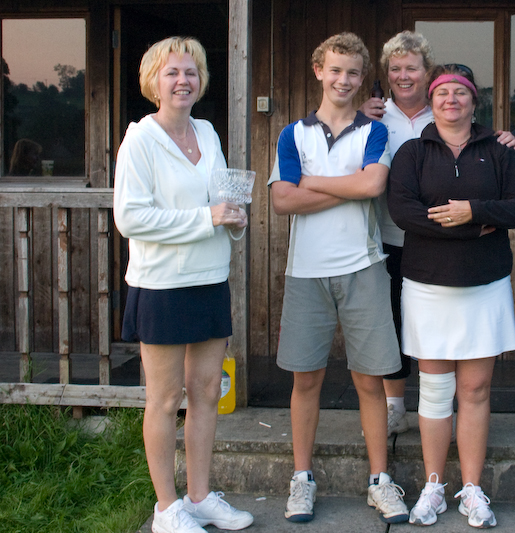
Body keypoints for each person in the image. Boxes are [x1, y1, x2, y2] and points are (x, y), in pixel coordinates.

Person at [267, 32, 409, 525]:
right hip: (305, 272)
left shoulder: (374, 132)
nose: (343, 80)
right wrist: (349, 188)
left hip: (363, 268)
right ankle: (302, 479)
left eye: (352, 72)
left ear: (362, 76)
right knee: (306, 381)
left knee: (370, 382)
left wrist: (310, 182)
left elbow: (373, 185)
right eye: (335, 70)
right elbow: (281, 200)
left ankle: (380, 481)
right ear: (318, 71)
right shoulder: (292, 134)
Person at [388, 64, 515, 528]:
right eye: (442, 93)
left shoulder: (498, 150)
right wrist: (473, 227)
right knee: (435, 392)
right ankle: (434, 487)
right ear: (431, 101)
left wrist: (473, 210)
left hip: (484, 285)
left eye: (460, 92)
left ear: (475, 101)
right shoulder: (412, 152)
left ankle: (472, 488)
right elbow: (402, 210)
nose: (451, 99)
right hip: (428, 286)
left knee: (474, 390)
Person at [113, 37, 253, 533]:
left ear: (201, 80)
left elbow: (220, 201)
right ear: (154, 80)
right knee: (165, 398)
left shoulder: (207, 132)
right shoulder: (140, 141)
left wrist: (233, 218)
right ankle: (166, 509)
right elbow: (130, 218)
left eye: (191, 72)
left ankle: (199, 496)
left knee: (207, 391)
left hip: (210, 279)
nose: (182, 81)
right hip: (162, 286)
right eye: (172, 72)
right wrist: (206, 217)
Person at [360, 31, 515, 437]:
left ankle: (455, 415)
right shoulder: (373, 117)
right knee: (394, 325)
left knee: (443, 342)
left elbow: (506, 186)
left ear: (426, 74)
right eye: (395, 69)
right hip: (386, 237)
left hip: (441, 249)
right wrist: (356, 118)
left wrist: (505, 137)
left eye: (411, 68)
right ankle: (396, 405)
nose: (403, 76)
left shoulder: (446, 115)